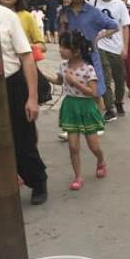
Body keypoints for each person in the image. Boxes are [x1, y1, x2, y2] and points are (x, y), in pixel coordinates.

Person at [0, 3, 48, 204]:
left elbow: (27, 56)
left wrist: (32, 97)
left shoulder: (7, 16)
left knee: (22, 141)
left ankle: (37, 181)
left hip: (12, 85)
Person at [44, 31, 107, 191]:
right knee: (73, 146)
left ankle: (100, 160)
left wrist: (75, 82)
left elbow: (93, 92)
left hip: (86, 107)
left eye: (64, 47)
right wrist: (43, 75)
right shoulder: (63, 66)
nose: (60, 50)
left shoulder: (88, 69)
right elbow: (59, 80)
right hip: (70, 106)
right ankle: (78, 176)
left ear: (77, 51)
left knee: (94, 146)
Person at [90, 0, 130, 122]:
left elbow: (125, 27)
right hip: (99, 46)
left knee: (120, 79)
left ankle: (118, 101)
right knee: (105, 78)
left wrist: (125, 47)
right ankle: (109, 109)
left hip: (116, 47)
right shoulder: (93, 1)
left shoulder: (120, 4)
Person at [115, 0, 130, 97]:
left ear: (126, 0)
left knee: (129, 67)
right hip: (116, 43)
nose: (120, 2)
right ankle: (119, 89)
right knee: (117, 68)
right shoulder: (112, 13)